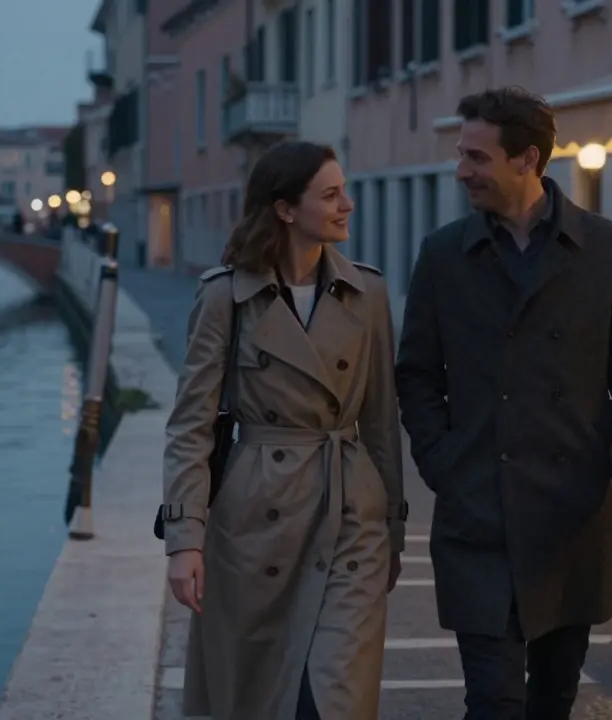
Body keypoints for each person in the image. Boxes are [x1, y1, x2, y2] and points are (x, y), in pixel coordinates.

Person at [395, 87, 612, 719]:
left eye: (477, 157)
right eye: (461, 155)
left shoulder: (606, 249)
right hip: (477, 514)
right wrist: (445, 462)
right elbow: (415, 374)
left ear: (528, 160)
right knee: (493, 701)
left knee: (552, 700)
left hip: (569, 520)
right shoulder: (443, 255)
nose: (461, 170)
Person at [160, 140, 407, 720]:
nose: (347, 204)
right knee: (261, 695)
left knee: (335, 698)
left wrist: (392, 527)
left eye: (344, 190)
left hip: (350, 514)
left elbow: (380, 422)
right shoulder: (226, 296)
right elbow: (191, 424)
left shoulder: (367, 293)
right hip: (256, 522)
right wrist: (184, 540)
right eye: (331, 194)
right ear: (285, 209)